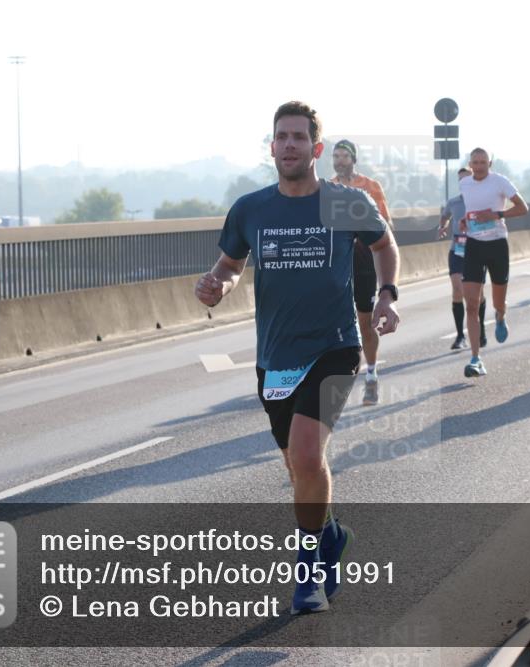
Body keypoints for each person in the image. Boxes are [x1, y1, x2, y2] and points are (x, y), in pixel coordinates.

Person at [196, 101, 400, 615]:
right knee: (297, 467)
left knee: (308, 455)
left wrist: (386, 295)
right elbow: (230, 264)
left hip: (335, 346)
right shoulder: (251, 209)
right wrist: (218, 283)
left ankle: (308, 571)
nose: (290, 145)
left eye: (299, 137)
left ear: (317, 148)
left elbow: (384, 245)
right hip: (275, 355)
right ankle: (330, 534)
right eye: (282, 137)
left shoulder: (344, 202)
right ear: (272, 147)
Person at [330, 139, 392, 406]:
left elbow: (385, 225)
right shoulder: (327, 188)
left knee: (365, 322)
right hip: (336, 264)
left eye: (344, 156)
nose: (340, 160)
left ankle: (371, 374)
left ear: (354, 159)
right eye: (336, 156)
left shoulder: (370, 186)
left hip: (364, 261)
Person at [458, 148, 529, 378]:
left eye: (483, 162)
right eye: (475, 163)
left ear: (490, 163)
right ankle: (475, 359)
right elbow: (471, 210)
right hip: (474, 245)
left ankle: (500, 315)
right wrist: (465, 220)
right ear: (470, 164)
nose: (479, 167)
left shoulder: (500, 181)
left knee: (498, 301)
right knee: (471, 304)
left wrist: (497, 215)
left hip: (497, 244)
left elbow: (523, 208)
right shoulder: (465, 184)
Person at [438, 167, 487, 350]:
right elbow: (445, 216)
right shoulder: (453, 202)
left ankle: (480, 330)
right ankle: (460, 336)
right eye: (460, 180)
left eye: (466, 179)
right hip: (457, 250)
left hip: (478, 250)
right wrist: (442, 227)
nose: (463, 182)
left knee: (477, 295)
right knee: (457, 290)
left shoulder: (482, 200)